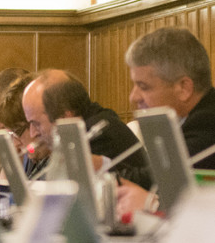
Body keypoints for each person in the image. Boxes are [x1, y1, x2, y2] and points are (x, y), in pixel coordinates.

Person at [119, 27, 215, 215]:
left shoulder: (207, 124)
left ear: (184, 88)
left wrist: (150, 203)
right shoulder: (191, 118)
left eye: (143, 86)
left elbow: (158, 180)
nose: (134, 97)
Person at [22, 69, 152, 190]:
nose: (32, 133)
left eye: (36, 124)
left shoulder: (98, 135)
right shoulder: (88, 124)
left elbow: (69, 195)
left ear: (65, 118)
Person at [0, 73, 51, 178]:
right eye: (12, 134)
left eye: (18, 131)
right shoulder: (31, 153)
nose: (16, 144)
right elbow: (5, 186)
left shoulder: (63, 164)